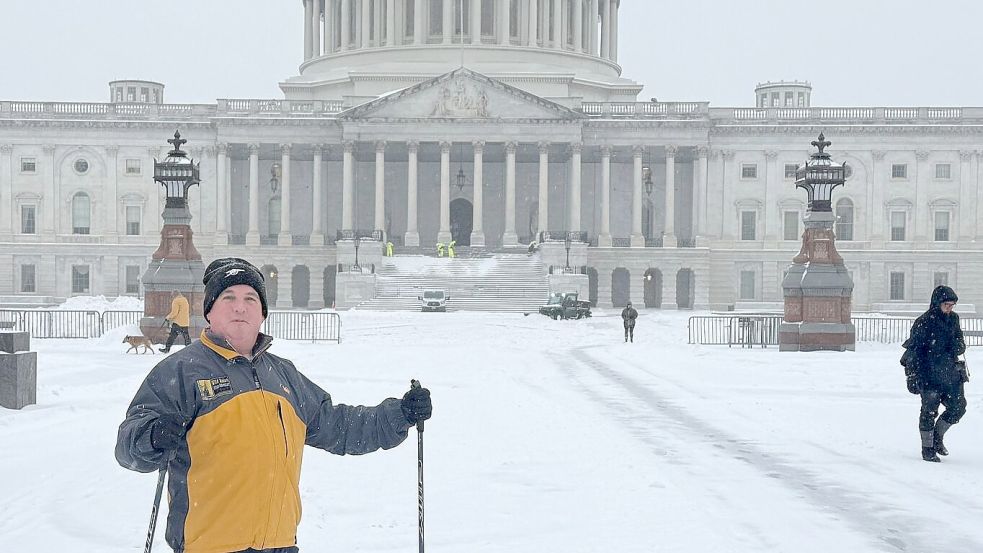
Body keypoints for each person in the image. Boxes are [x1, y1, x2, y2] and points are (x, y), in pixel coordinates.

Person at [116, 257, 433, 553]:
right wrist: (152, 437)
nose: (240, 307)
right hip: (209, 545)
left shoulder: (283, 375)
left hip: (280, 543)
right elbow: (128, 448)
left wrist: (399, 415)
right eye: (229, 297)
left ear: (262, 313)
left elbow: (338, 426)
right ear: (209, 311)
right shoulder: (180, 371)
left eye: (250, 299)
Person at [901, 285, 967, 462]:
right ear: (937, 303)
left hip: (951, 374)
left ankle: (937, 437)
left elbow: (960, 341)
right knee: (929, 411)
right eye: (946, 304)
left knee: (958, 407)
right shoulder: (924, 321)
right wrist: (912, 374)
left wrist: (958, 346)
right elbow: (914, 350)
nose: (949, 308)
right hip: (928, 373)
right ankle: (928, 448)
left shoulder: (954, 319)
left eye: (952, 305)